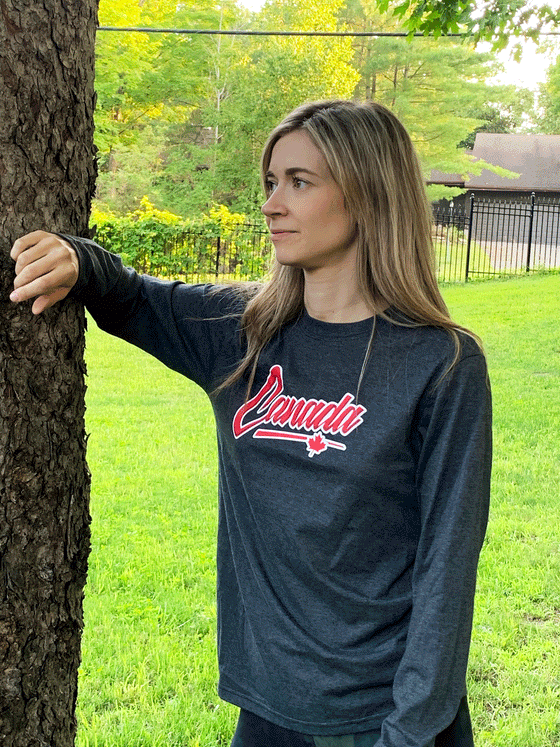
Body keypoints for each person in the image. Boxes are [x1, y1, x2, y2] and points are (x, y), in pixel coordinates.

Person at [10, 100, 491, 747]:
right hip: (266, 709)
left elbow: (447, 569)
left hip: (380, 716)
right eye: (270, 182)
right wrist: (73, 257)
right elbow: (127, 294)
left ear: (368, 191)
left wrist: (407, 731)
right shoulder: (241, 334)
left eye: (299, 181)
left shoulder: (441, 363)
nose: (271, 203)